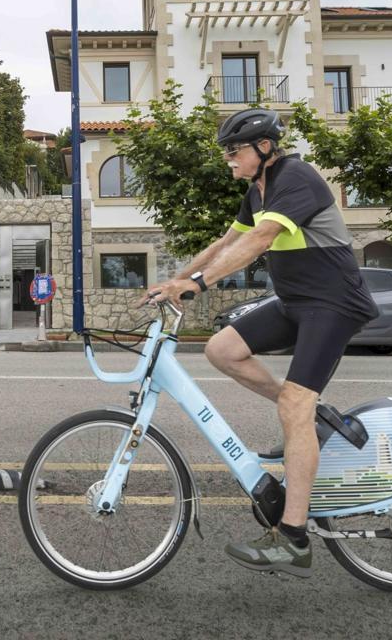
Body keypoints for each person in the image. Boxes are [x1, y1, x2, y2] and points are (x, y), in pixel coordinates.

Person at [142, 108, 378, 579]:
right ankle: (310, 414)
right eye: (226, 151)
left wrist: (201, 285)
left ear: (265, 149)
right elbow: (228, 242)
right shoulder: (258, 190)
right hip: (295, 301)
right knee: (221, 349)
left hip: (334, 303)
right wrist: (176, 279)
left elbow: (261, 240)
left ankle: (292, 539)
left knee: (292, 404)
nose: (228, 159)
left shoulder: (298, 178)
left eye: (235, 150)